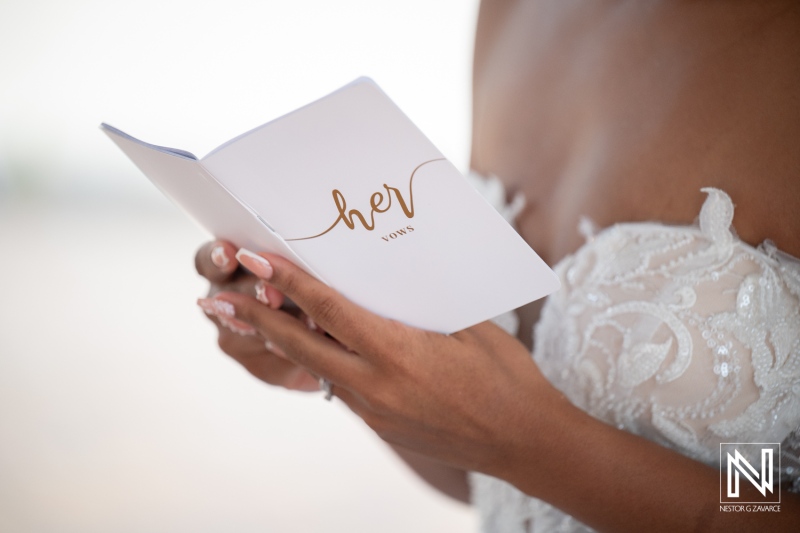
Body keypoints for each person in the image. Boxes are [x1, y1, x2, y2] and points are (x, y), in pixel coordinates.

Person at [194, 1, 800, 531]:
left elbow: (775, 504)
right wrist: (341, 357)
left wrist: (535, 446)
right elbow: (496, 485)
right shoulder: (512, 11)